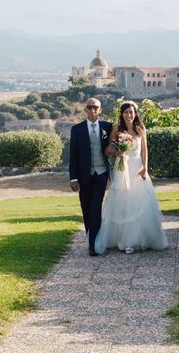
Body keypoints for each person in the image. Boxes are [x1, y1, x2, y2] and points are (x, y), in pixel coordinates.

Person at [94, 101, 168, 254]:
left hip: (138, 168)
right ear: (122, 114)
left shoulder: (141, 129)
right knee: (123, 202)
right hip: (122, 169)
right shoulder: (117, 129)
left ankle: (144, 239)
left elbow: (144, 151)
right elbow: (108, 150)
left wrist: (145, 168)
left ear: (135, 113)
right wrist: (117, 151)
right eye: (126, 112)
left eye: (132, 112)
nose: (129, 115)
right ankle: (126, 241)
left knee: (141, 203)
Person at [69, 97, 113, 256]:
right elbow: (73, 156)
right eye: (90, 107)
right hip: (83, 176)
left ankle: (94, 245)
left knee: (95, 208)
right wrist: (73, 178)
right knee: (86, 209)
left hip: (101, 174)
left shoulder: (108, 127)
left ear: (100, 110)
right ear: (85, 110)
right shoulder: (77, 129)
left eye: (96, 107)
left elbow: (114, 145)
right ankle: (91, 238)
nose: (93, 110)